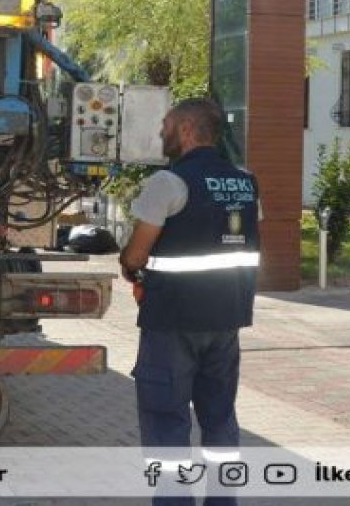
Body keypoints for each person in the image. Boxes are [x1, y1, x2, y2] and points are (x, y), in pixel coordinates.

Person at [118, 99, 261, 506]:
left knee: (166, 420)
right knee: (220, 419)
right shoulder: (246, 180)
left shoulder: (169, 183)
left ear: (184, 129)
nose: (161, 133)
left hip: (173, 322)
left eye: (165, 125)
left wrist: (129, 265)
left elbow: (137, 255)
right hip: (226, 320)